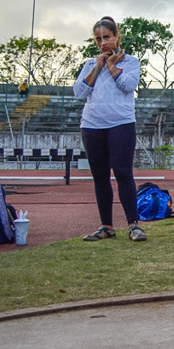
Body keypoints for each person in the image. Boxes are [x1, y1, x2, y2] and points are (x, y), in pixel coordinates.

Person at [72, 16, 146, 241]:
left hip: (121, 124)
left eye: (107, 37)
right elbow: (79, 92)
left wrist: (112, 66)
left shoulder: (131, 62)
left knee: (123, 173)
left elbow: (128, 85)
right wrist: (98, 66)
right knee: (100, 177)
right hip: (92, 126)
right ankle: (106, 226)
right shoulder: (89, 64)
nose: (103, 42)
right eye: (98, 39)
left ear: (116, 37)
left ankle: (133, 225)